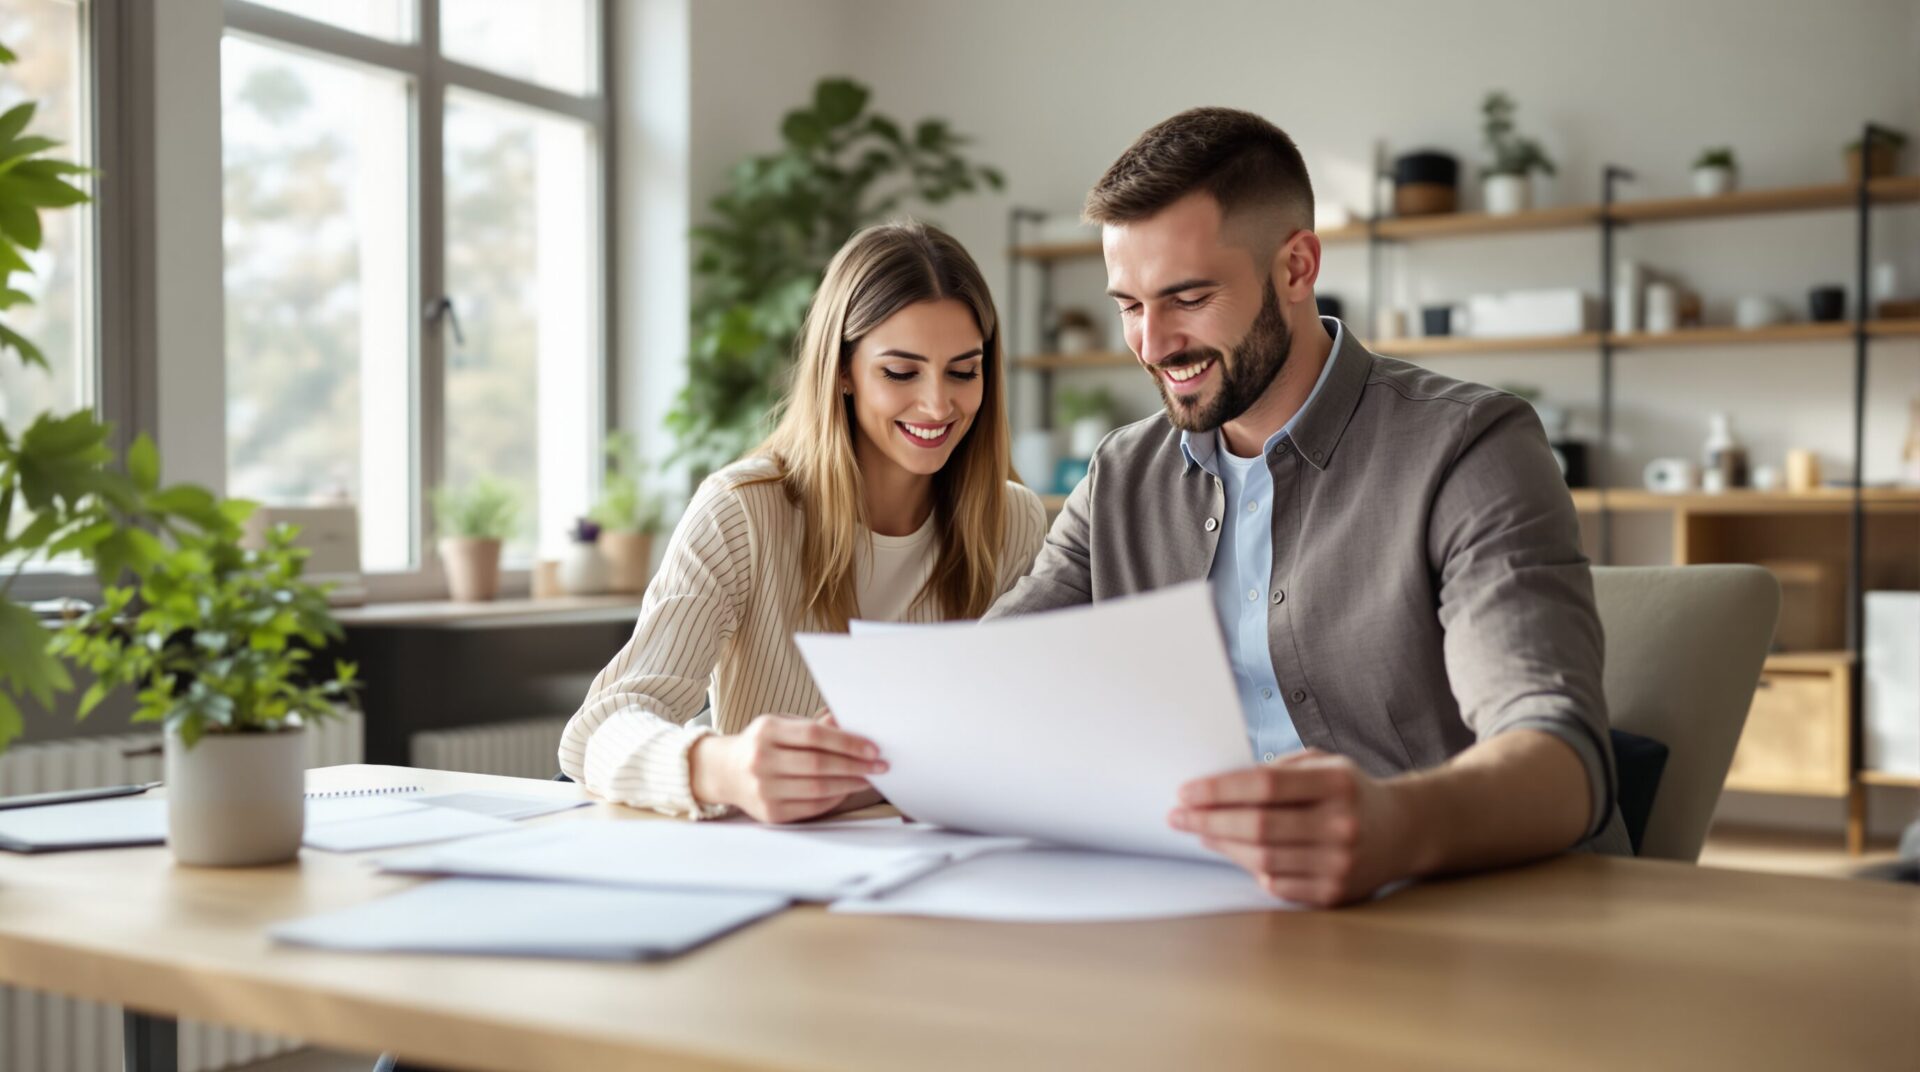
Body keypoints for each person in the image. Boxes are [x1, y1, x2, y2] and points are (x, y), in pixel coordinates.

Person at [986, 107, 1631, 907]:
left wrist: (1397, 825)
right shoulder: (1121, 473)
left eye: (1188, 297)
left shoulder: (1470, 446)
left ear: (1296, 267)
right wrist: (860, 758)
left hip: (1455, 911)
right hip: (1202, 908)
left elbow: (1563, 762)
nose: (1151, 345)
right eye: (1129, 305)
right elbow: (985, 681)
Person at [560, 221, 1047, 822]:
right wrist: (725, 767)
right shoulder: (742, 511)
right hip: (775, 861)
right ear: (841, 370)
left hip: (941, 856)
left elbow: (1022, 731)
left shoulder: (1012, 520)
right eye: (901, 372)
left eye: (963, 371)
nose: (937, 404)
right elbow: (598, 731)